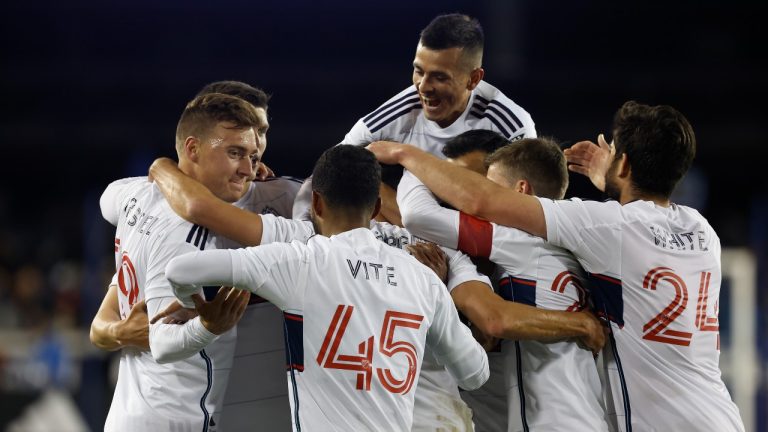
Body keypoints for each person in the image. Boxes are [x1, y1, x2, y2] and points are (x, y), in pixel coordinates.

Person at [368, 101, 746, 431]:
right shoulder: (701, 231)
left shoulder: (595, 228)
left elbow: (464, 206)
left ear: (624, 164)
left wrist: (408, 154)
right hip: (718, 412)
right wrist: (615, 178)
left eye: (614, 152)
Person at [162, 145, 490, 431]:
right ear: (377, 208)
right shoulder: (424, 278)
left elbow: (179, 270)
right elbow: (475, 374)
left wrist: (194, 308)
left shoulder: (298, 262)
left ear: (316, 203)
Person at [90, 80, 300, 430]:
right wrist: (206, 327)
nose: (254, 158)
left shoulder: (137, 195)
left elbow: (108, 197)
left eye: (259, 137)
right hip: (178, 418)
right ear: (194, 146)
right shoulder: (190, 229)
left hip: (135, 415)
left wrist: (162, 167)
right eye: (235, 150)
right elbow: (156, 341)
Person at [398, 137, 610, 431]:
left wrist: (406, 154)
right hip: (587, 415)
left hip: (554, 423)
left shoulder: (518, 240)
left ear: (521, 190)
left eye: (489, 187)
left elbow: (418, 214)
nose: (475, 197)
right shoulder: (583, 242)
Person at [292, 13, 536, 219]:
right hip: (411, 245)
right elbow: (320, 180)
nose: (423, 87)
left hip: (487, 244)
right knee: (355, 178)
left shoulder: (512, 127)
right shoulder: (392, 118)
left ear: (473, 79)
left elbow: (531, 214)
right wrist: (307, 237)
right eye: (419, 71)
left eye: (439, 77)